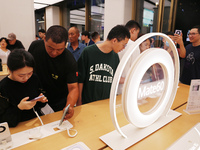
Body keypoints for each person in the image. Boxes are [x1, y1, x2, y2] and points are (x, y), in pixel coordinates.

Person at [28, 25, 78, 120]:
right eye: (50, 47)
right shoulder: (35, 47)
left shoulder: (69, 60)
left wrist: (69, 106)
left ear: (65, 44)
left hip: (58, 102)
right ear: (44, 38)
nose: (54, 53)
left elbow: (73, 88)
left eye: (60, 49)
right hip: (35, 98)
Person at [77, 25, 130, 105]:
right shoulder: (88, 52)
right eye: (124, 44)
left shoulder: (115, 57)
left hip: (106, 104)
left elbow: (114, 79)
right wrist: (79, 101)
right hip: (88, 103)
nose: (124, 48)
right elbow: (80, 80)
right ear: (114, 40)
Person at [0, 49, 48, 127]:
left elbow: (38, 106)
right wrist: (19, 108)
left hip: (37, 123)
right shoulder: (3, 87)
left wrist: (41, 100)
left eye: (29, 73)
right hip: (17, 128)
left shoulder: (34, 78)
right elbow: (3, 120)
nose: (26, 78)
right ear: (9, 70)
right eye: (21, 76)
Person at [117, 20, 141, 94]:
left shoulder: (116, 42)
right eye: (137, 33)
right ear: (133, 30)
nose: (137, 36)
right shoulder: (134, 46)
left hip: (115, 86)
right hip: (126, 86)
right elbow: (135, 69)